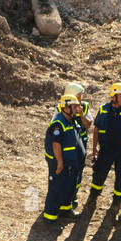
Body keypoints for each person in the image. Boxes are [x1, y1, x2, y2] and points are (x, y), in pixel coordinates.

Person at [90, 81, 121, 205]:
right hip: (106, 149)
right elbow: (97, 129)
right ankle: (94, 195)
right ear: (114, 96)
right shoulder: (103, 109)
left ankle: (117, 199)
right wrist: (94, 148)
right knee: (99, 172)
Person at [42, 93, 86, 223]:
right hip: (59, 162)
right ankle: (50, 217)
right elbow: (56, 145)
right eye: (74, 106)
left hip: (70, 163)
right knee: (56, 187)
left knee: (69, 185)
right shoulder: (58, 123)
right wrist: (60, 162)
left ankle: (66, 209)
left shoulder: (72, 120)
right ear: (66, 108)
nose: (78, 108)